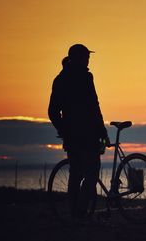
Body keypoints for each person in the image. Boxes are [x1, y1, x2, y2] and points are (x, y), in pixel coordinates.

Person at [48, 44, 110, 218]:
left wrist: (63, 129)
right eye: (86, 57)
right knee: (91, 173)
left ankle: (74, 213)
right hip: (88, 135)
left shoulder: (60, 79)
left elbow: (53, 112)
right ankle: (80, 212)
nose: (89, 60)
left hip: (72, 136)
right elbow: (94, 107)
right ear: (80, 59)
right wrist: (102, 132)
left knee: (75, 174)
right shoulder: (85, 77)